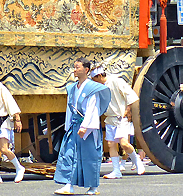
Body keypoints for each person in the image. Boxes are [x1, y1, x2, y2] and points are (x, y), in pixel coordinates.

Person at [54, 58, 111, 195]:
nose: (75, 70)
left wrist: (86, 126)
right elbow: (70, 109)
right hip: (74, 125)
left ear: (86, 70)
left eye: (77, 67)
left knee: (89, 156)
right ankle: (68, 184)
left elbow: (93, 109)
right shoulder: (72, 88)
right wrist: (68, 126)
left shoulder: (92, 88)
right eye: (74, 67)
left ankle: (93, 187)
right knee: (69, 154)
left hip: (87, 127)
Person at [91, 66, 145, 178]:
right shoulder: (99, 87)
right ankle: (116, 170)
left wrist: (128, 110)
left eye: (94, 79)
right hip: (110, 117)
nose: (94, 82)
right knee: (111, 144)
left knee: (124, 143)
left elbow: (129, 95)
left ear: (100, 76)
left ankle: (137, 161)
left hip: (121, 116)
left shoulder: (116, 81)